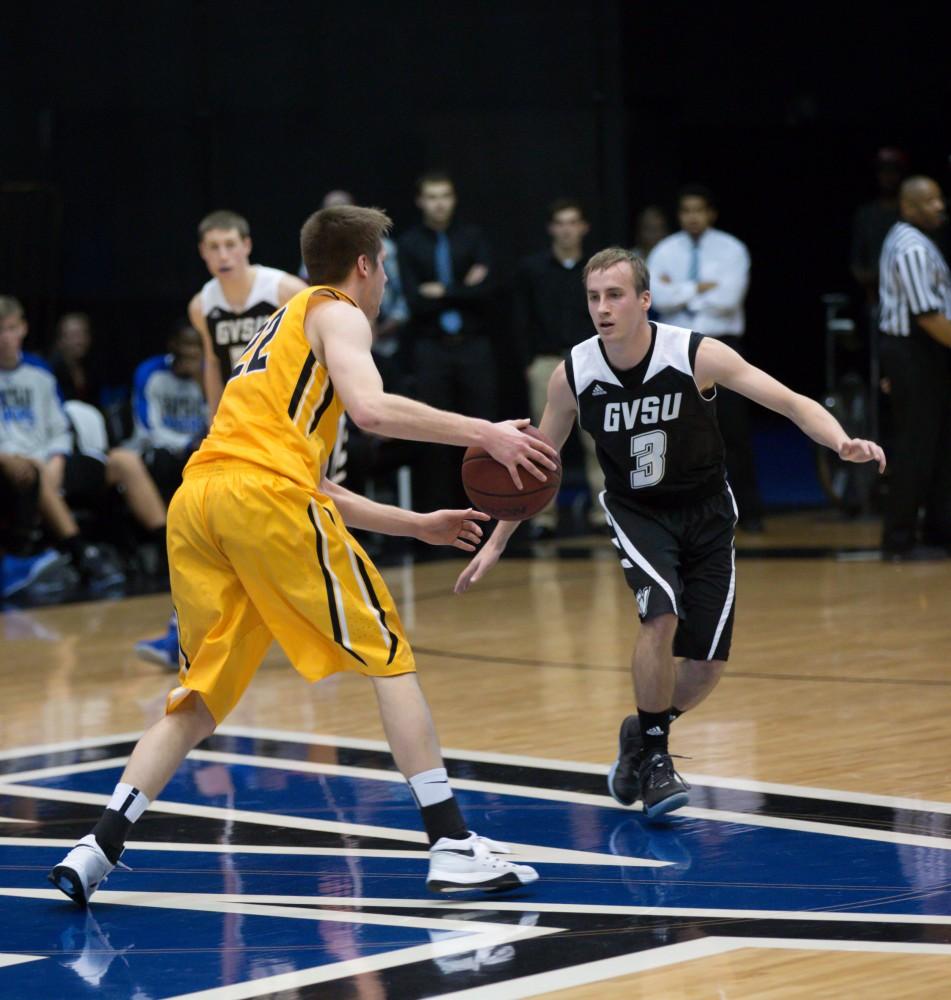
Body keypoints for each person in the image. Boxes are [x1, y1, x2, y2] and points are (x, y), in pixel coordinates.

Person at [50, 204, 556, 904]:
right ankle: (449, 844)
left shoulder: (274, 328)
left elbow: (313, 485)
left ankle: (96, 844)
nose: (384, 284)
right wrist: (487, 434)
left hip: (200, 504)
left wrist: (416, 525)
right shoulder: (337, 311)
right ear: (365, 266)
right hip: (259, 502)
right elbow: (372, 412)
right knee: (387, 652)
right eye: (385, 269)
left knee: (196, 699)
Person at [454, 248, 885, 819]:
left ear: (644, 300)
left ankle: (642, 731)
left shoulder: (694, 353)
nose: (602, 309)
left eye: (615, 296)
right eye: (593, 297)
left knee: (705, 665)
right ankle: (658, 761)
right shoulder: (573, 374)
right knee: (660, 615)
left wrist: (839, 441)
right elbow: (539, 469)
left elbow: (786, 399)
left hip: (707, 511)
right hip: (638, 512)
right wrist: (498, 540)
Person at [136, 211, 307, 665]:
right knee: (204, 520)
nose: (223, 255)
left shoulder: (285, 290)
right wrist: (215, 423)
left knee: (294, 527)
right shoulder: (202, 304)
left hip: (290, 426)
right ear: (202, 253)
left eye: (230, 244)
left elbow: (323, 349)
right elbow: (214, 363)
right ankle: (188, 632)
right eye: (213, 247)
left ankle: (314, 623)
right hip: (237, 428)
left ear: (248, 245)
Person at [0, 296, 167, 590]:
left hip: (52, 459)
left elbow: (60, 427)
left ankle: (167, 548)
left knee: (123, 461)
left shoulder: (39, 371)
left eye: (11, 328)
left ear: (23, 329)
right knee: (36, 472)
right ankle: (83, 554)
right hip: (13, 465)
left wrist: (58, 458)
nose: (5, 337)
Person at [647, 184, 764, 532]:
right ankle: (679, 512)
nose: (692, 217)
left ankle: (750, 513)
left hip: (722, 344)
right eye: (686, 211)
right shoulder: (664, 251)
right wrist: (701, 288)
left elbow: (728, 298)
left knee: (733, 431)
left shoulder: (732, 249)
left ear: (711, 213)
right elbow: (660, 299)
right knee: (676, 432)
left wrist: (680, 290)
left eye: (699, 210)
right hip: (675, 347)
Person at [398, 170, 495, 513]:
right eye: (432, 196)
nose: (439, 204)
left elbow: (487, 292)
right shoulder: (409, 244)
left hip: (473, 344)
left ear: (454, 199)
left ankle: (484, 507)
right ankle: (437, 511)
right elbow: (414, 300)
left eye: (445, 196)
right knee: (433, 428)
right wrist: (463, 289)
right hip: (430, 345)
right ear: (421, 201)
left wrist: (443, 290)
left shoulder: (473, 237)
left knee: (482, 425)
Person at [514, 198, 603, 533]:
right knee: (544, 442)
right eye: (560, 223)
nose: (567, 230)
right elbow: (520, 319)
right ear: (552, 228)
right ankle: (544, 516)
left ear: (584, 227)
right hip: (548, 362)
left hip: (593, 361)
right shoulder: (533, 269)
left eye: (573, 222)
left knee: (599, 439)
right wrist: (528, 362)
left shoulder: (597, 270)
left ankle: (604, 511)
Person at [877, 176, 951, 560]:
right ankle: (899, 538)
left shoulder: (910, 240)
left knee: (936, 445)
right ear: (908, 207)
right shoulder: (912, 247)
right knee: (916, 446)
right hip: (917, 350)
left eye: (939, 199)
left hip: (916, 351)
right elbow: (926, 314)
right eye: (930, 201)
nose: (939, 206)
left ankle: (938, 530)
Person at [130, 323, 208, 504]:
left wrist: (201, 383)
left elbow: (219, 422)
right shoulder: (151, 372)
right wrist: (187, 444)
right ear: (173, 345)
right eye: (187, 344)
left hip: (199, 452)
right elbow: (148, 429)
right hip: (161, 452)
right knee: (162, 459)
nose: (192, 352)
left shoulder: (208, 374)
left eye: (197, 346)